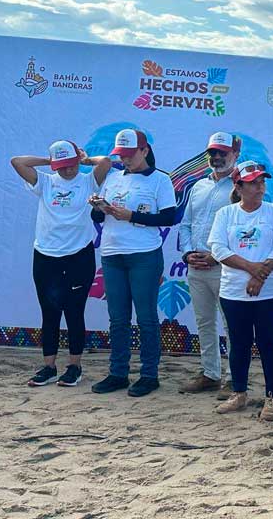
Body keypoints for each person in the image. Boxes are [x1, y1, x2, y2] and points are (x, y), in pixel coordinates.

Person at [12, 140, 111, 387]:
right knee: (49, 312)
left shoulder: (88, 181)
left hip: (79, 255)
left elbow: (106, 162)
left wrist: (85, 160)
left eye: (72, 164)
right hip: (45, 255)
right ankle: (49, 367)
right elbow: (17, 162)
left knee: (74, 311)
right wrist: (51, 161)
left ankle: (74, 366)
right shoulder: (45, 182)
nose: (69, 169)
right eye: (63, 165)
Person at [89, 129, 176, 397]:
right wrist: (98, 207)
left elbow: (169, 217)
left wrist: (132, 216)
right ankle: (118, 372)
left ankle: (149, 375)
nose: (125, 159)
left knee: (146, 317)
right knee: (118, 318)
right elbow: (98, 218)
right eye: (121, 155)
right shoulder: (113, 177)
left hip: (144, 255)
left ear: (144, 151)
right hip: (112, 254)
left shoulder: (160, 180)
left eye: (129, 154)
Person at [207, 161, 273, 421]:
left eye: (262, 182)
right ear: (238, 187)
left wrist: (260, 276)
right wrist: (251, 268)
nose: (260, 187)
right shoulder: (226, 214)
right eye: (253, 183)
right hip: (233, 292)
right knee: (239, 343)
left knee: (268, 343)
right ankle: (239, 393)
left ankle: (272, 396)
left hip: (270, 292)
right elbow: (218, 249)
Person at [177, 131, 241, 396]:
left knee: (231, 325)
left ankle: (234, 379)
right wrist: (187, 253)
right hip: (196, 266)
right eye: (212, 153)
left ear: (235, 154)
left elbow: (244, 229)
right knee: (204, 322)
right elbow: (186, 224)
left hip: (226, 267)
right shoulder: (199, 186)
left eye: (222, 153)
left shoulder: (242, 186)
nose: (216, 157)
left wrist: (218, 255)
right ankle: (210, 374)